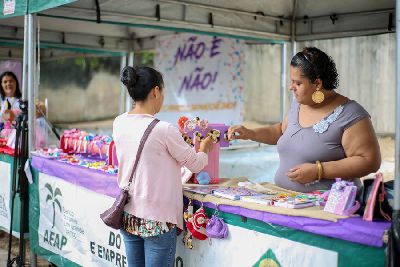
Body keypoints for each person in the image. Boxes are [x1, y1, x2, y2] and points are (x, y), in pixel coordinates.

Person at [228, 47, 381, 192]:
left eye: (298, 83)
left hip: (327, 211)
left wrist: (319, 171)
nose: (291, 87)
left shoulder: (351, 114)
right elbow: (281, 131)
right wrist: (250, 134)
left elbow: (369, 161)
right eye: (291, 81)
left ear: (317, 83)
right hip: (287, 204)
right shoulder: (299, 103)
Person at [113, 65, 213, 267]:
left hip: (128, 214)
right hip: (157, 220)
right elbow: (194, 164)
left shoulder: (119, 122)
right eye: (163, 91)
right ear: (156, 91)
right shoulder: (164, 130)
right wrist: (205, 149)